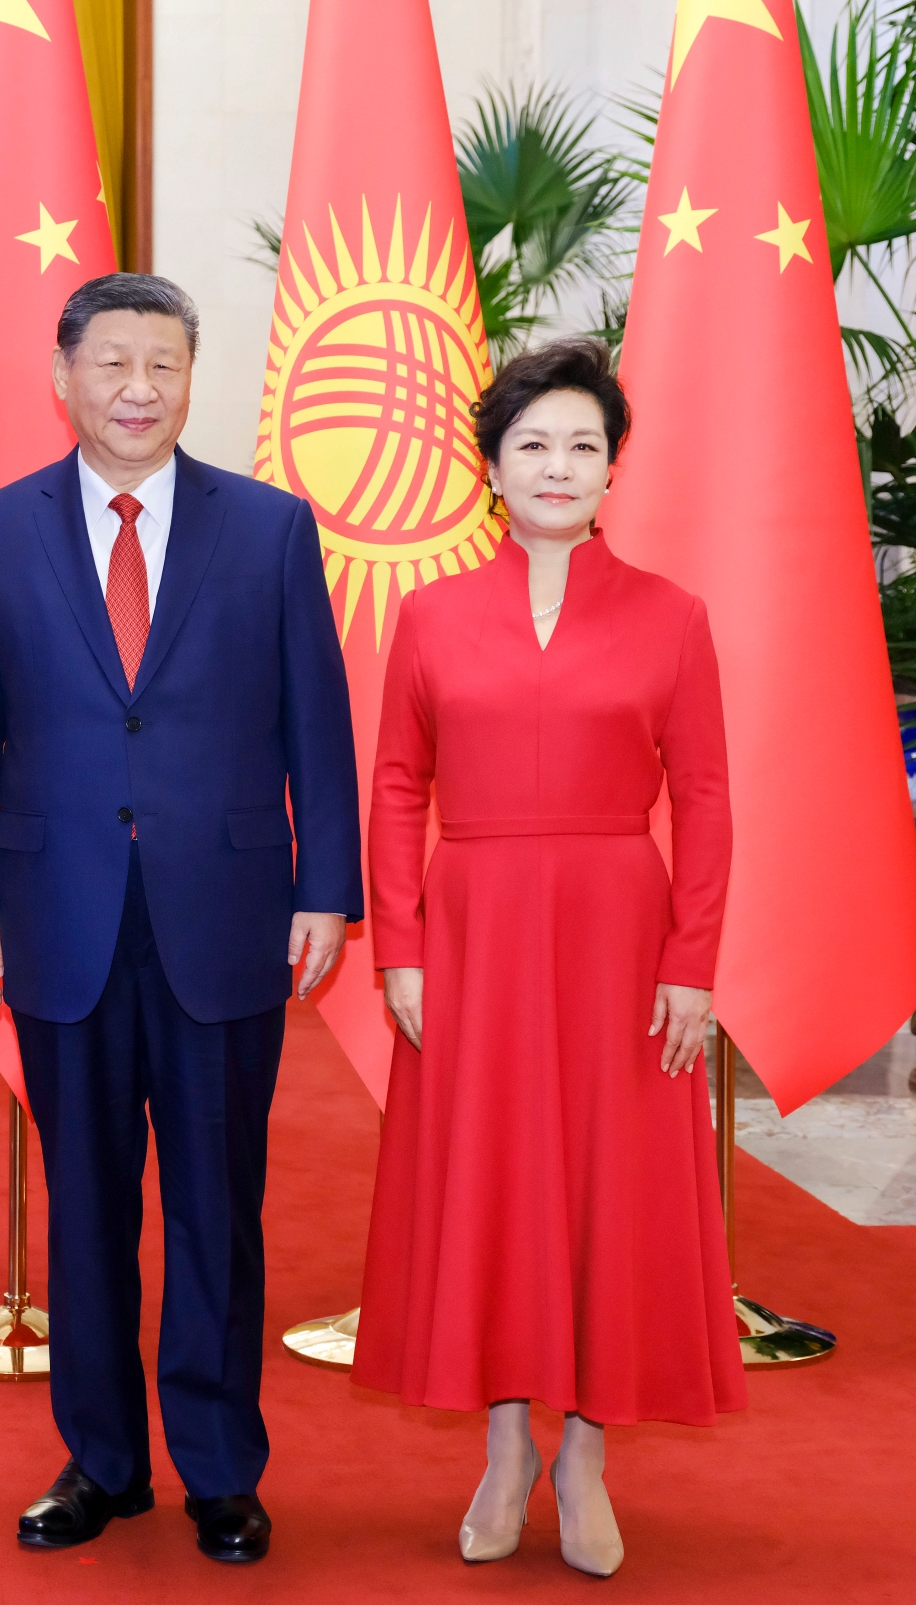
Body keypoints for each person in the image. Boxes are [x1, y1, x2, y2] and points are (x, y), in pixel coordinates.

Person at [0, 273, 362, 1564]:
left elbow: (316, 721)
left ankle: (220, 1466)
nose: (136, 388)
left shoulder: (269, 529)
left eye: (162, 364)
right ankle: (102, 1459)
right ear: (61, 377)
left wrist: (325, 886)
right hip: (55, 913)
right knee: (87, 1203)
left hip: (224, 914)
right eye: (111, 362)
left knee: (217, 1204)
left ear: (189, 378)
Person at [351, 339, 745, 1578]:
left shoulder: (670, 616)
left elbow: (706, 800)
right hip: (468, 933)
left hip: (618, 937)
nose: (557, 465)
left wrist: (689, 964)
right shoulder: (429, 614)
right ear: (489, 467)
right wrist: (400, 946)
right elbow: (395, 787)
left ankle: (582, 1454)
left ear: (613, 465)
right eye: (531, 444)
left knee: (603, 1186)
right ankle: (502, 1447)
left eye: (582, 444)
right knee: (490, 1181)